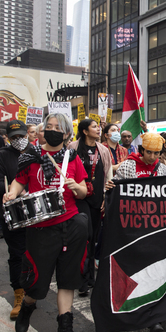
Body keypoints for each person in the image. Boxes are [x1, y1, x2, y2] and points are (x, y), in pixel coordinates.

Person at [3, 113, 88, 332]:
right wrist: (12, 193)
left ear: (65, 133)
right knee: (37, 281)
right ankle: (27, 307)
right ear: (41, 131)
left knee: (68, 278)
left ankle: (65, 329)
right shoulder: (31, 156)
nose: (51, 130)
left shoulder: (72, 158)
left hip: (70, 223)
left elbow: (83, 190)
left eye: (56, 127)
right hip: (41, 227)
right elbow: (19, 181)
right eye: (47, 126)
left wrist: (76, 187)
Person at [110, 133, 166, 332]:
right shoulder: (129, 166)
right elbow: (117, 194)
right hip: (132, 229)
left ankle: (154, 316)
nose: (153, 157)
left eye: (157, 153)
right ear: (142, 150)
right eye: (149, 152)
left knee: (154, 272)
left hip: (154, 228)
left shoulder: (162, 169)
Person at [0, 119, 31, 320]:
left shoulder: (37, 153)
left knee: (38, 254)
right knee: (17, 255)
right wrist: (8, 191)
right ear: (7, 138)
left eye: (22, 136)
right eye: (14, 137)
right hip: (12, 214)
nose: (19, 140)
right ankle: (19, 294)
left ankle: (33, 292)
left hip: (37, 214)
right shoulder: (1, 156)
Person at [68, 119, 112, 297]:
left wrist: (105, 196)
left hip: (97, 199)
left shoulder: (103, 150)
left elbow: (108, 174)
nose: (98, 129)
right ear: (85, 131)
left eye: (98, 126)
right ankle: (82, 278)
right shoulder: (73, 147)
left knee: (93, 236)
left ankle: (91, 277)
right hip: (79, 198)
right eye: (94, 127)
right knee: (84, 235)